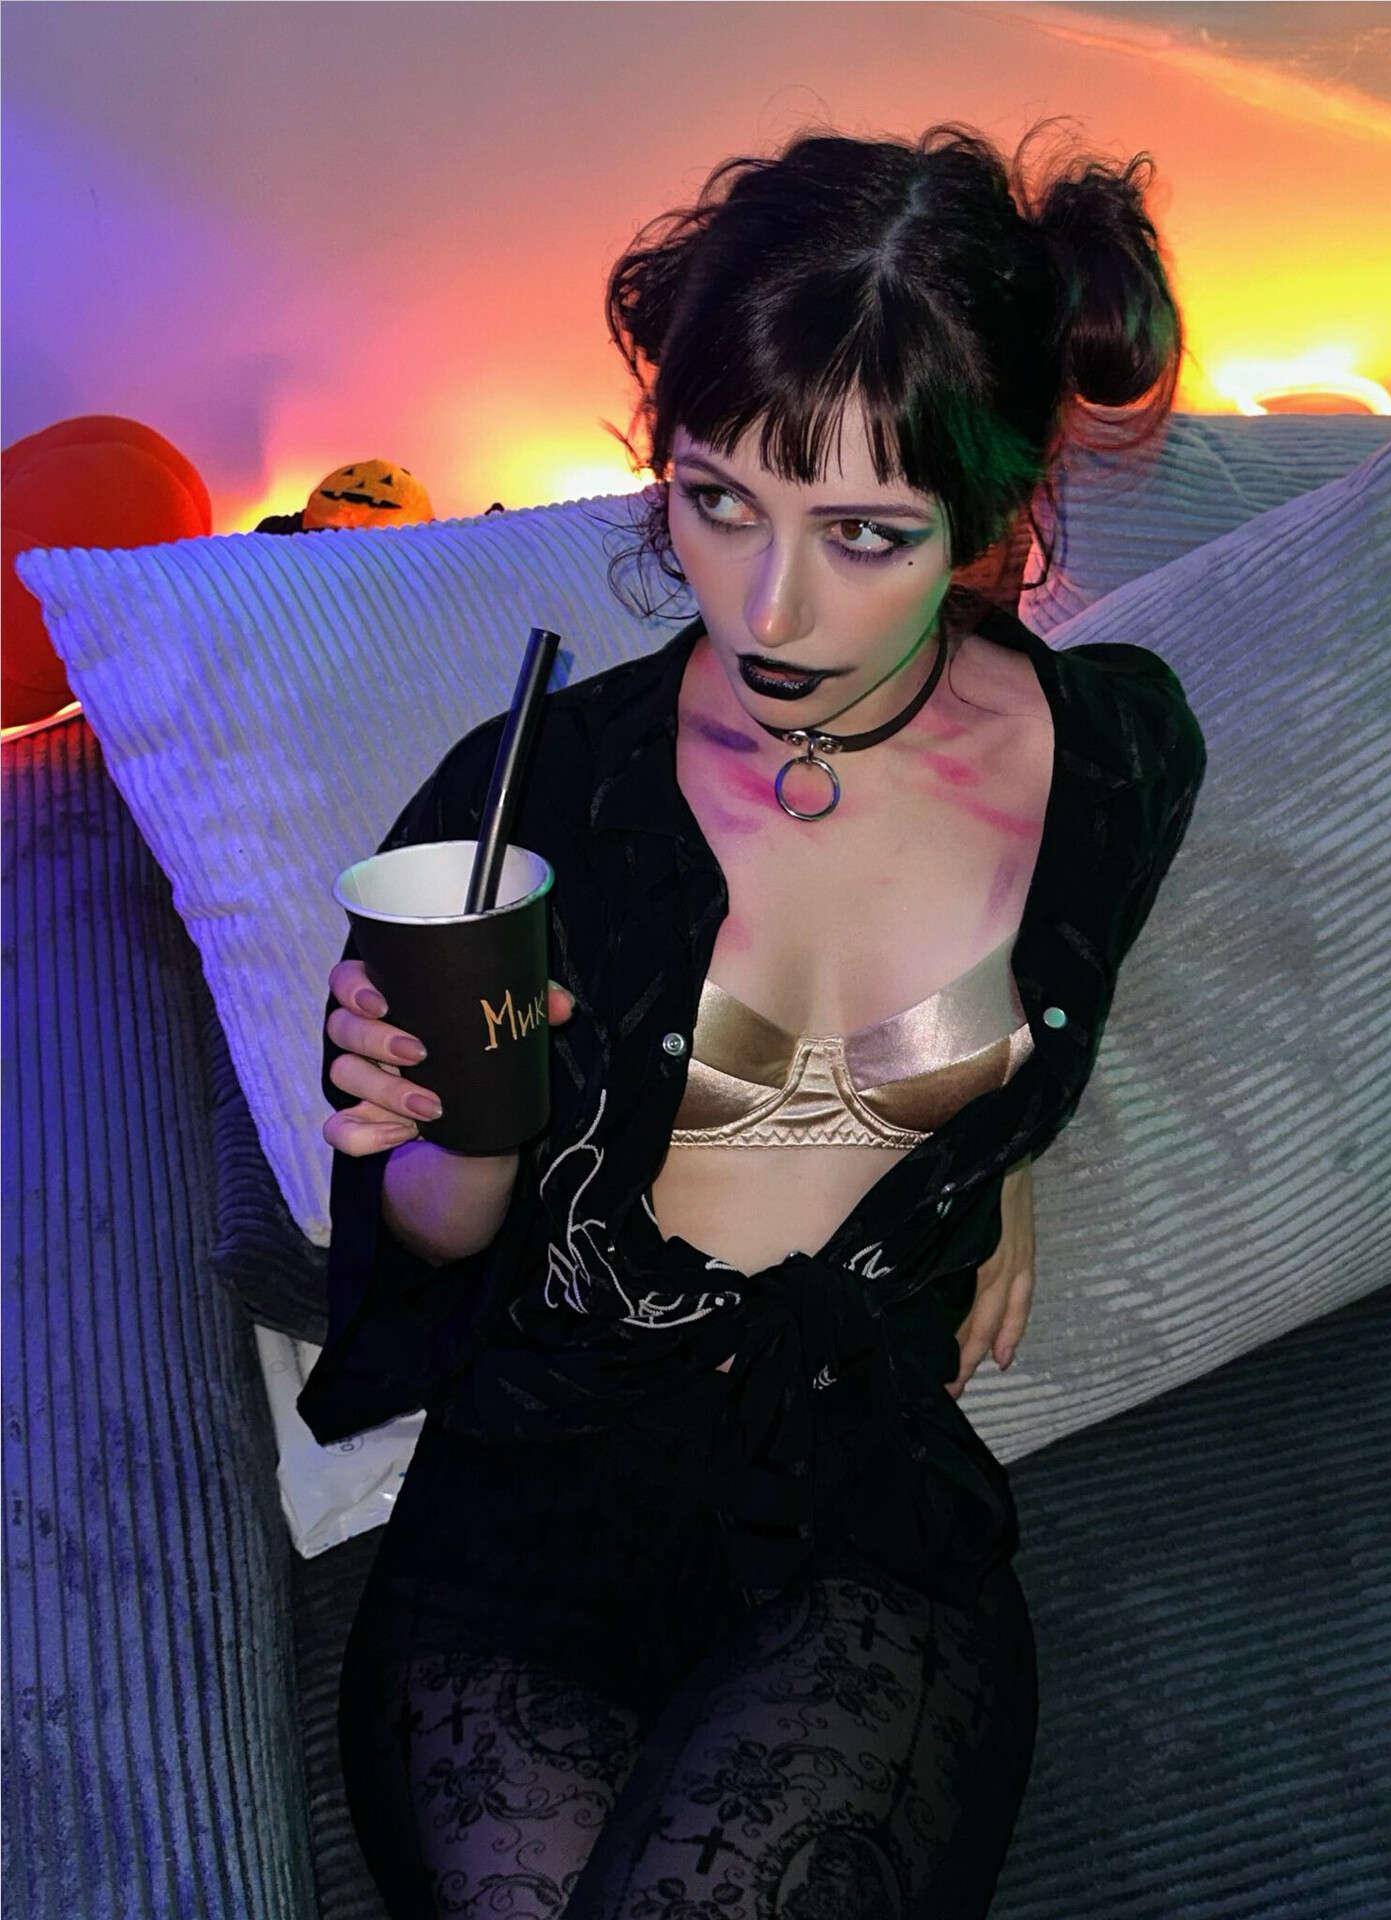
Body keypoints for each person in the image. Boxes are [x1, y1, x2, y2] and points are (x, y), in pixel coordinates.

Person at [299, 120, 1206, 1920]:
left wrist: (1001, 1154)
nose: (768, 607)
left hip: (860, 1524)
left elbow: (1056, 985)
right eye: (719, 502)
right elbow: (434, 1256)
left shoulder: (1109, 755)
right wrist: (435, 1131)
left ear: (993, 519)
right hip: (521, 1528)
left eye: (863, 533)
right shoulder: (534, 801)